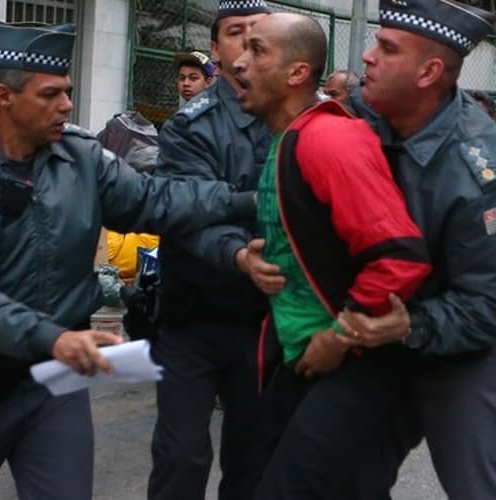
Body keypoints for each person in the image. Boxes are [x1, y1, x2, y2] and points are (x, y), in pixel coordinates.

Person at [0, 17, 256, 500]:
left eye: (67, 91)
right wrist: (55, 339)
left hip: (55, 386)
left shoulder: (81, 159)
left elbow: (156, 200)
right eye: (50, 94)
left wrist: (248, 200)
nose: (67, 105)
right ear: (5, 97)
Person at [230, 13, 431, 498]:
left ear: (298, 73)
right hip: (300, 360)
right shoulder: (288, 138)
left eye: (257, 51)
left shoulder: (329, 139)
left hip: (350, 367)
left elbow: (399, 256)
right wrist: (261, 254)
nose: (238, 63)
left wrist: (341, 336)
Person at [339, 1, 496, 498]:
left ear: (429, 72)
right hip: (381, 337)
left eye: (386, 48)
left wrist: (413, 325)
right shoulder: (359, 115)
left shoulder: (485, 175)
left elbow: (495, 302)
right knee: (345, 478)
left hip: (465, 351)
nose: (367, 57)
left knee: (478, 489)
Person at [147, 1, 271, 499]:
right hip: (191, 318)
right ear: (216, 50)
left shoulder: (296, 116)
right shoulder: (189, 126)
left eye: (258, 36)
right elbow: (185, 214)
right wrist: (241, 253)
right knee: (181, 457)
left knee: (254, 459)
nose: (248, 45)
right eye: (236, 34)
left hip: (265, 321)